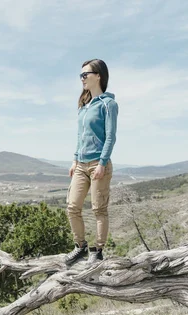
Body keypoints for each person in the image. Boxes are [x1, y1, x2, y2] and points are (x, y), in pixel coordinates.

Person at [64, 59, 118, 266]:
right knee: (72, 207)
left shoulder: (108, 104)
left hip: (98, 164)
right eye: (81, 75)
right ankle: (80, 247)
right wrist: (74, 160)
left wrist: (103, 163)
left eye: (85, 74)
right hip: (81, 165)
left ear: (99, 76)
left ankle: (98, 251)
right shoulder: (84, 106)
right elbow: (81, 135)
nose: (82, 79)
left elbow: (111, 136)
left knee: (99, 210)